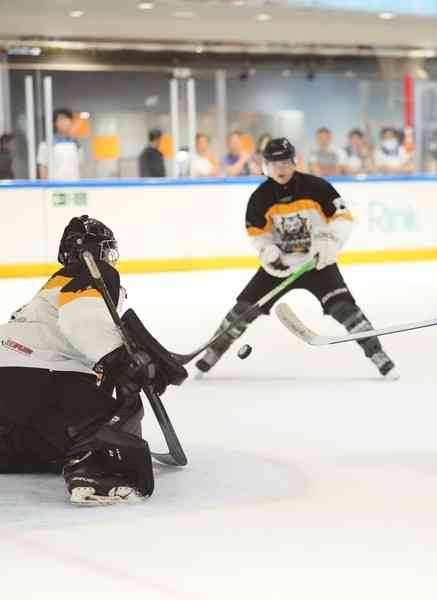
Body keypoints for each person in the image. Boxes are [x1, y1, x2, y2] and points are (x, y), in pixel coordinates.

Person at [0, 216, 183, 505]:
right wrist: (118, 359)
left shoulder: (48, 291)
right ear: (98, 251)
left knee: (40, 443)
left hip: (11, 383)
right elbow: (80, 317)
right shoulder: (95, 272)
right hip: (42, 376)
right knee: (121, 414)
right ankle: (93, 471)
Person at [195, 138, 397, 379]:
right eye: (274, 163)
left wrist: (330, 242)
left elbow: (343, 217)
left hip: (317, 263)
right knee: (243, 309)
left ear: (294, 162)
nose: (280, 168)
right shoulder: (260, 197)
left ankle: (377, 354)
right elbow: (257, 234)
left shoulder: (318, 187)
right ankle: (213, 352)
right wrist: (268, 251)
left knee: (345, 308)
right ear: (266, 165)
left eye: (285, 162)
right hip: (280, 267)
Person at [37, 108, 80, 180]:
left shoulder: (75, 143)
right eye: (61, 120)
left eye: (66, 119)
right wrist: (45, 186)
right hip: (55, 186)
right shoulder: (47, 143)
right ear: (55, 123)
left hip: (74, 186)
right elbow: (43, 166)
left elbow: (79, 167)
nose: (64, 122)